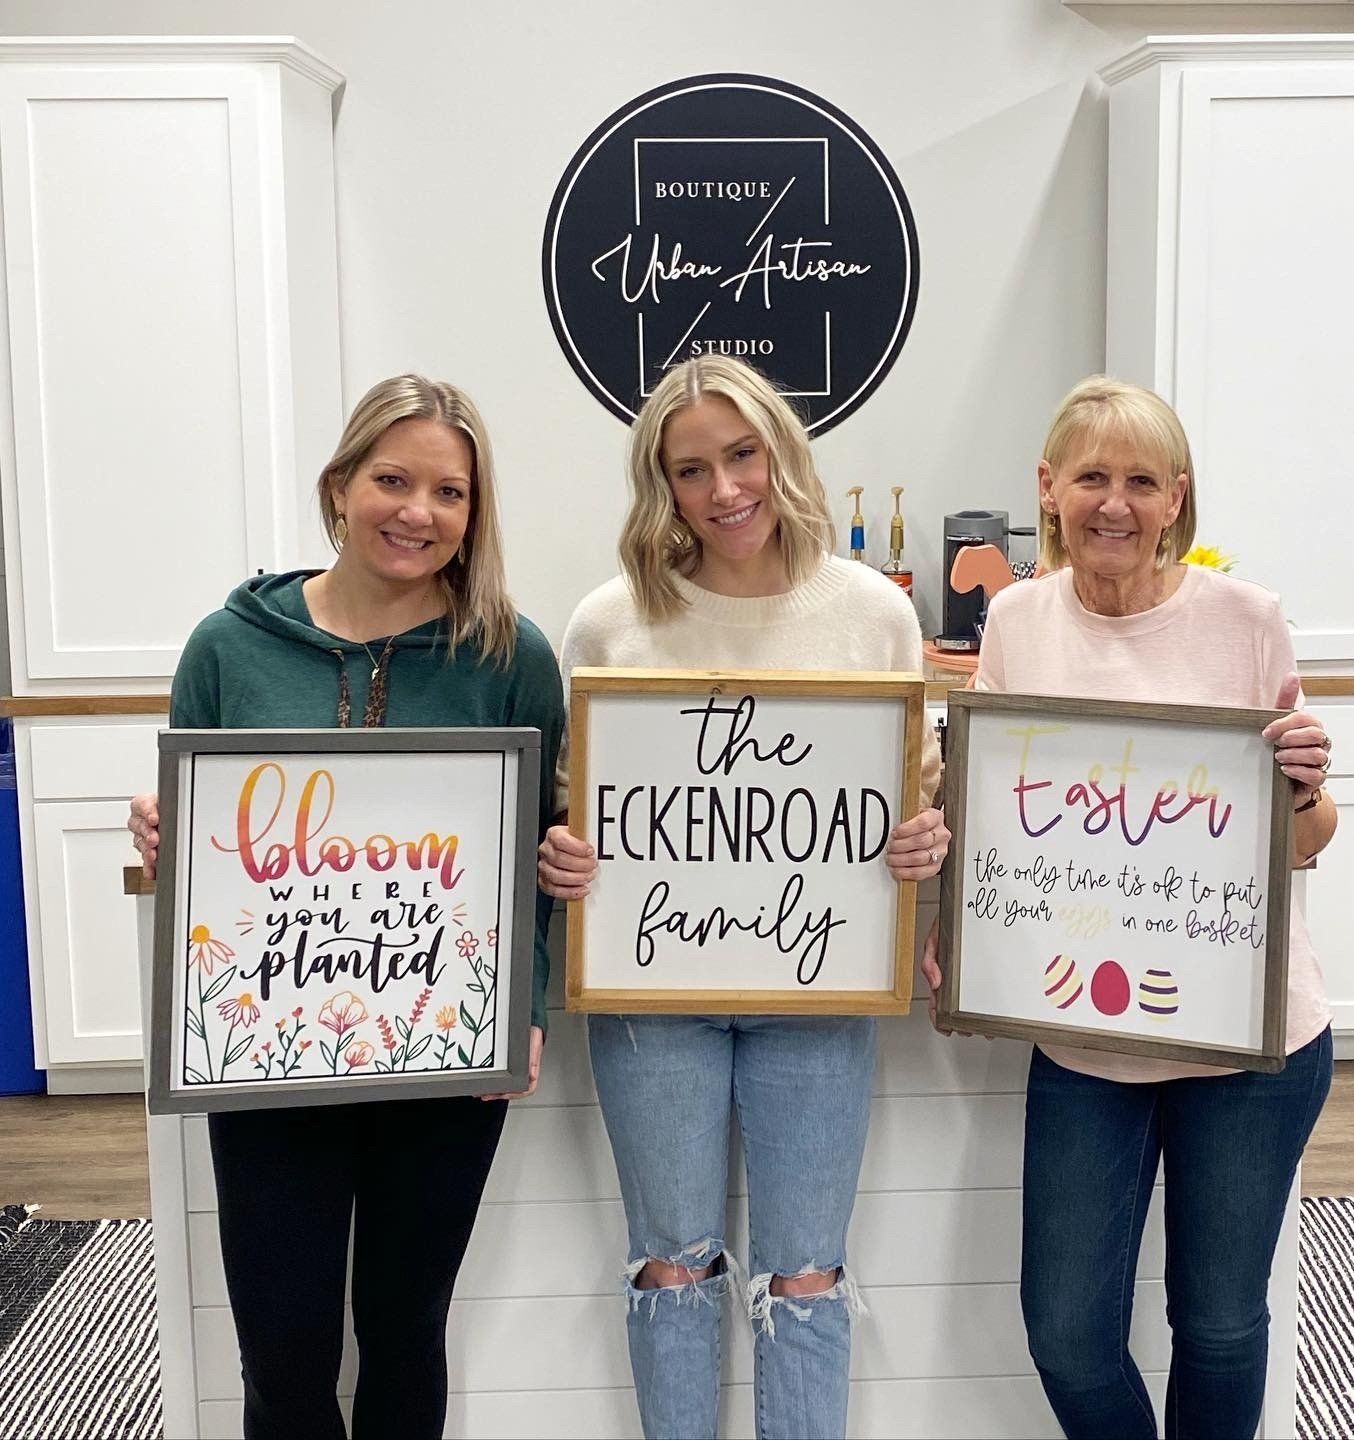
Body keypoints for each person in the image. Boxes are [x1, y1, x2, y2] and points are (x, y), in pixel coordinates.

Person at [127, 375, 563, 1440]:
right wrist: (168, 833)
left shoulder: (512, 657)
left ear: (474, 513)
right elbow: (204, 842)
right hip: (265, 1059)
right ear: (339, 487)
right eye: (393, 480)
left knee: (408, 1331)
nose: (419, 512)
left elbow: (537, 855)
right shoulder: (228, 647)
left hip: (444, 1056)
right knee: (283, 1351)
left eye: (449, 492)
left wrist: (526, 1004)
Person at [538, 355, 947, 1440]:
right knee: (669, 1268)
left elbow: (910, 790)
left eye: (742, 455)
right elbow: (576, 801)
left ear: (781, 453)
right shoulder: (609, 622)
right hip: (651, 993)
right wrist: (561, 854)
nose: (724, 489)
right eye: (691, 469)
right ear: (661, 486)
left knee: (806, 1276)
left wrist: (922, 840)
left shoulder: (873, 612)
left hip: (820, 986)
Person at [922, 375, 1337, 1440]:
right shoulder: (1016, 620)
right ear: (1048, 488)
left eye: (1143, 482)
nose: (1116, 503)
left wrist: (1304, 790)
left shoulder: (1246, 621)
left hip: (1249, 1043)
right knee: (1066, 1332)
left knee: (1220, 1325)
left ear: (1176, 498)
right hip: (1085, 1037)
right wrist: (960, 925)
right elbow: (1002, 816)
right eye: (1093, 477)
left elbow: (1303, 841)